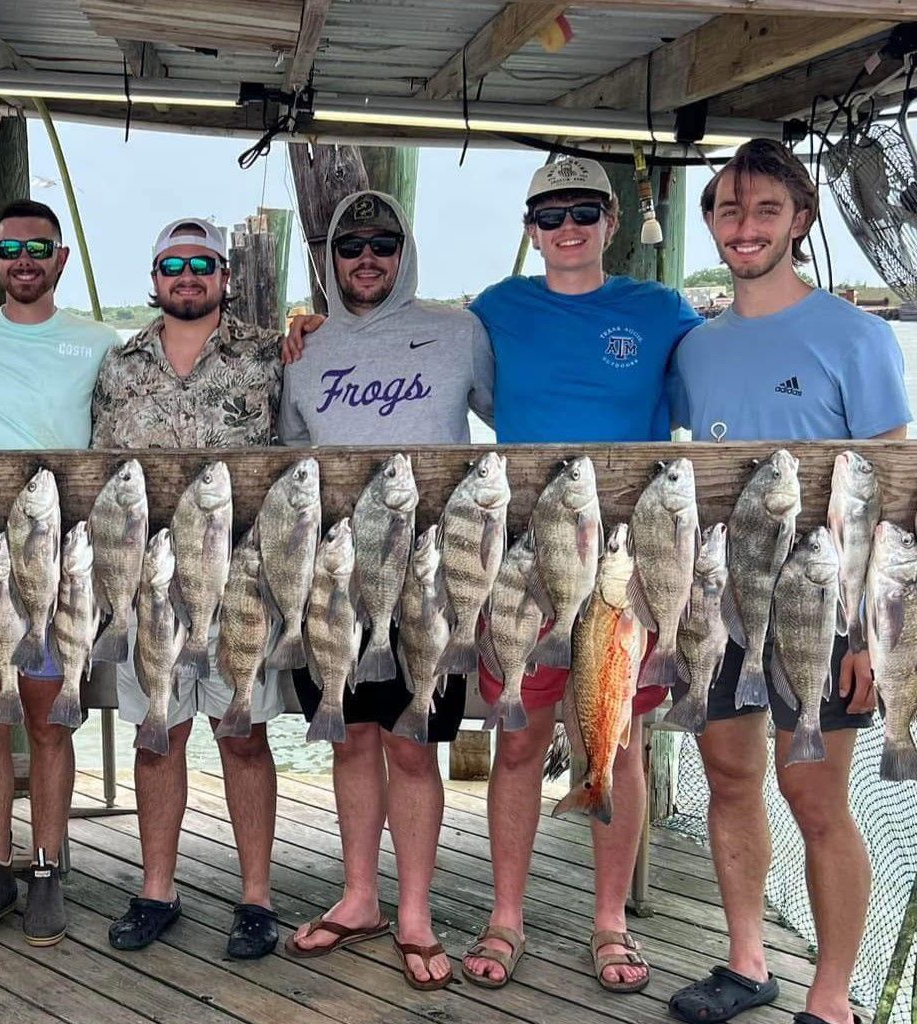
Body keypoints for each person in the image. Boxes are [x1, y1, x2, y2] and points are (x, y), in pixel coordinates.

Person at [665, 139, 908, 1024]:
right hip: (720, 598)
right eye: (729, 211)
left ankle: (833, 997)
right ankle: (744, 960)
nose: (745, 227)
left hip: (827, 604)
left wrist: (871, 634)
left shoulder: (856, 335)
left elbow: (891, 492)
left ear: (799, 220)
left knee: (814, 795)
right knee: (729, 775)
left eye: (765, 210)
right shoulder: (695, 347)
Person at [462, 157, 702, 996]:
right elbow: (430, 358)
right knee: (518, 737)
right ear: (531, 228)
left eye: (585, 212)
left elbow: (724, 378)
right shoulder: (494, 307)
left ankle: (611, 920)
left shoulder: (662, 309)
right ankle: (506, 916)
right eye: (550, 214)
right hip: (525, 554)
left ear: (612, 219)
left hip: (626, 560)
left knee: (618, 739)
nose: (568, 228)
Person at [276, 191, 493, 991]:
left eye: (383, 242)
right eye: (350, 245)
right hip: (331, 577)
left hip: (431, 578)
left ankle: (416, 913)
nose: (366, 258)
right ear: (329, 257)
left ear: (405, 250)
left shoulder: (459, 333)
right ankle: (360, 895)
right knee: (350, 736)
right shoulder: (302, 346)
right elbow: (288, 455)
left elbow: (526, 418)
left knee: (412, 743)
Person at [88, 217, 285, 959]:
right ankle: (156, 889)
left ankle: (257, 897)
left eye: (203, 264)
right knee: (157, 736)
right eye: (174, 265)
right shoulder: (119, 363)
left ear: (226, 276)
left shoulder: (271, 355)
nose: (188, 276)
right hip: (146, 584)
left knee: (242, 734)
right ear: (155, 277)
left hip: (242, 582)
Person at [0, 199, 121, 948]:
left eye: (39, 248)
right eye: (11, 249)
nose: (25, 260)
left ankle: (48, 870)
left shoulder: (100, 342)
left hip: (63, 563)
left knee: (48, 723)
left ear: (61, 258)